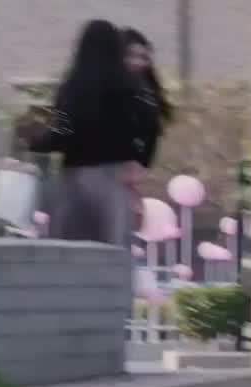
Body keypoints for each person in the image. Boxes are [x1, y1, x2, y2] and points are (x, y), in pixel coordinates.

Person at [18, 20, 153, 246]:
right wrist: (140, 161)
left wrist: (35, 142)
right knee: (114, 246)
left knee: (72, 249)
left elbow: (63, 131)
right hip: (115, 177)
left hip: (75, 176)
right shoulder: (131, 88)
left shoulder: (71, 88)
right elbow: (148, 126)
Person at [121, 28, 171, 170]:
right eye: (130, 55)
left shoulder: (147, 95)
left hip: (132, 170)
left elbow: (150, 137)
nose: (137, 62)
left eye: (143, 57)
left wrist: (139, 164)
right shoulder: (102, 89)